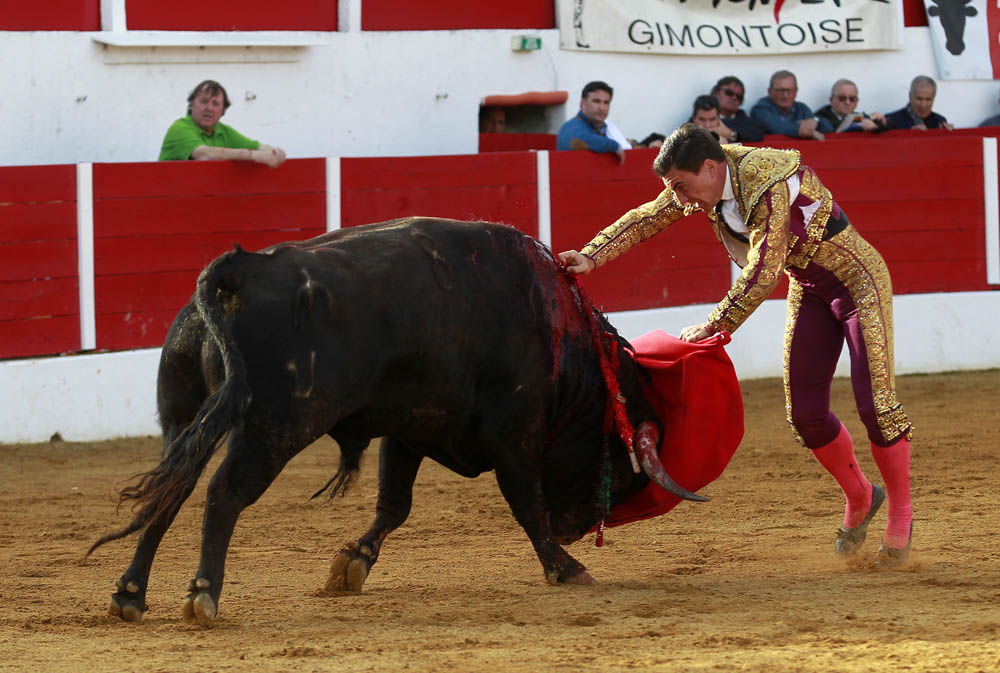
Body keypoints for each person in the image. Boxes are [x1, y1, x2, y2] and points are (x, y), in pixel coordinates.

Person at [558, 124, 913, 568]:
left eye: (683, 188)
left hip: (859, 282)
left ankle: (901, 514)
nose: (681, 200)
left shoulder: (766, 179)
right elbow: (651, 214)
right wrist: (593, 254)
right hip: (811, 288)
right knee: (805, 415)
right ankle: (861, 494)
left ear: (709, 168)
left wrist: (716, 324)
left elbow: (765, 270)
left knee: (876, 405)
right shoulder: (705, 179)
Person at [158, 79, 287, 167]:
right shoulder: (180, 128)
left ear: (223, 110)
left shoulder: (223, 131)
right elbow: (204, 154)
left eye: (215, 104)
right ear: (191, 104)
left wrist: (274, 151)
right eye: (204, 101)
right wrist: (252, 155)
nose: (209, 108)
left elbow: (256, 147)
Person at [557, 81, 628, 164]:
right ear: (583, 103)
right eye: (596, 101)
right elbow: (579, 140)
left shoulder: (607, 128)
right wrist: (614, 146)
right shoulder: (570, 127)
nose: (602, 108)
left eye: (606, 103)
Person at [751, 70, 832, 140]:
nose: (785, 96)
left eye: (789, 90)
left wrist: (816, 121)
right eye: (780, 91)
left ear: (796, 91)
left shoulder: (801, 108)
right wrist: (804, 130)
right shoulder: (760, 109)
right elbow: (777, 127)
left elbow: (829, 129)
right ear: (769, 91)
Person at [815, 79, 888, 133]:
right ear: (831, 100)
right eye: (842, 98)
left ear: (857, 101)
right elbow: (835, 129)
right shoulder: (819, 118)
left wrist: (878, 120)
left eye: (852, 99)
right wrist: (863, 120)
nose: (847, 102)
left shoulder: (857, 116)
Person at [884, 76, 953, 131]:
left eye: (928, 99)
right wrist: (908, 135)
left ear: (934, 98)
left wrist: (948, 135)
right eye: (919, 99)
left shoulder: (940, 121)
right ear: (910, 96)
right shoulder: (891, 120)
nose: (923, 105)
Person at [710, 76, 765, 143]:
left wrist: (731, 134)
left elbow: (757, 132)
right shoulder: (702, 113)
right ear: (715, 93)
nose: (734, 97)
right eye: (729, 93)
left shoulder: (745, 120)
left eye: (739, 96)